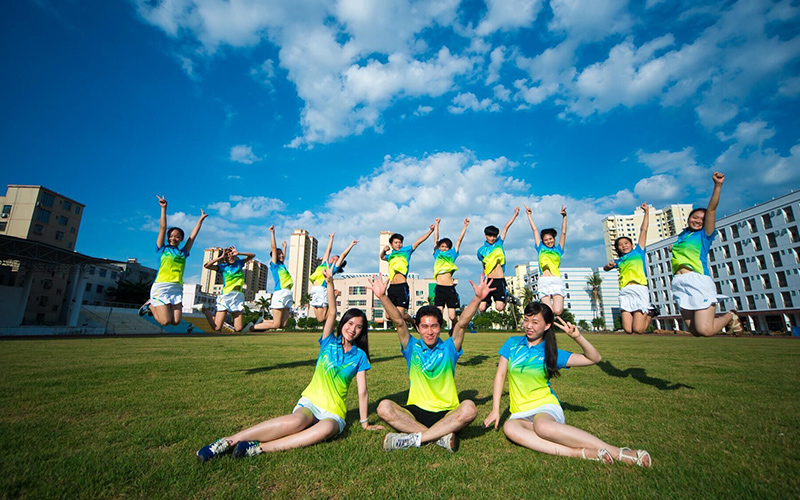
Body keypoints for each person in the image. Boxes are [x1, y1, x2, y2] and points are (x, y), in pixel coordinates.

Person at [196, 268, 384, 462]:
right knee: (297, 421)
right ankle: (229, 441)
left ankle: (258, 448)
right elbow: (331, 313)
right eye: (350, 323)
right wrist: (329, 283)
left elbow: (363, 392)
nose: (352, 329)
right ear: (343, 323)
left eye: (358, 326)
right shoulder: (329, 342)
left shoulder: (360, 356)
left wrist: (364, 423)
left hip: (334, 412)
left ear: (362, 332)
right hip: (311, 402)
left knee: (326, 428)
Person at [483, 302, 652, 467]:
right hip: (520, 413)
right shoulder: (512, 344)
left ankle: (616, 452)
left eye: (535, 322)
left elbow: (594, 358)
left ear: (547, 325)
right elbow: (501, 374)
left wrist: (577, 337)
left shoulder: (552, 353)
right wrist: (496, 409)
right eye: (526, 320)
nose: (528, 326)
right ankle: (578, 453)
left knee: (542, 427)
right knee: (510, 428)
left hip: (544, 408)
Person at [368, 273, 494, 453]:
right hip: (415, 411)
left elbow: (462, 324)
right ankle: (439, 437)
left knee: (469, 408)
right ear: (418, 328)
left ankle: (414, 439)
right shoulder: (412, 347)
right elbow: (398, 321)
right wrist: (382, 296)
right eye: (425, 326)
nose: (429, 331)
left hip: (447, 412)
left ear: (440, 327)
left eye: (434, 326)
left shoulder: (450, 348)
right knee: (384, 407)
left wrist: (477, 298)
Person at [671, 172, 742, 336]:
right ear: (689, 218)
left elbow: (712, 209)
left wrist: (717, 186)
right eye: (695, 217)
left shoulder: (705, 234)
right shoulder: (683, 236)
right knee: (695, 331)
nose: (698, 221)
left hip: (697, 279)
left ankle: (730, 316)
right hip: (679, 282)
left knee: (705, 330)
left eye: (702, 220)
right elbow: (682, 250)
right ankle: (728, 317)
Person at [139, 195, 207, 326]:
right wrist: (164, 208)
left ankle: (152, 307)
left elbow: (192, 237)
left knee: (176, 321)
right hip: (161, 286)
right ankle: (150, 306)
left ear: (181, 239)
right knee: (165, 322)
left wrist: (200, 220)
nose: (173, 238)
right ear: (168, 238)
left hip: (176, 288)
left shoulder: (183, 252)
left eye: (177, 237)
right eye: (171, 236)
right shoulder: (162, 249)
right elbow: (162, 228)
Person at [603, 203, 658, 334]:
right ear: (618, 249)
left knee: (638, 330)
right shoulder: (619, 261)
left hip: (639, 289)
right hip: (625, 291)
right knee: (628, 330)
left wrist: (646, 212)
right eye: (620, 245)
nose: (624, 246)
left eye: (626, 243)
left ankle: (650, 312)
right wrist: (608, 266)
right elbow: (605, 269)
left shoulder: (639, 252)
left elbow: (643, 230)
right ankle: (648, 312)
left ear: (632, 244)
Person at [379, 224, 435, 323]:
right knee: (388, 316)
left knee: (400, 314)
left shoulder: (406, 251)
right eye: (396, 242)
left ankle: (413, 322)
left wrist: (430, 231)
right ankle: (412, 321)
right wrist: (384, 250)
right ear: (391, 244)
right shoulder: (391, 256)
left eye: (400, 242)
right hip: (392, 287)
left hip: (402, 286)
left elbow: (418, 241)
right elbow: (382, 257)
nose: (398, 244)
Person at [524, 204, 567, 316]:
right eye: (546, 240)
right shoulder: (540, 248)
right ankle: (547, 332)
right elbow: (535, 230)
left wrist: (564, 217)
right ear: (543, 241)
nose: (549, 241)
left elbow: (563, 233)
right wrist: (529, 215)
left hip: (556, 280)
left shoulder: (558, 249)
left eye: (550, 239)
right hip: (544, 281)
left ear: (554, 239)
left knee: (557, 311)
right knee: (548, 312)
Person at [201, 246, 256, 333]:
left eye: (231, 252)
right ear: (225, 258)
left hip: (238, 296)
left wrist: (239, 253)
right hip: (226, 296)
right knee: (216, 327)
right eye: (227, 254)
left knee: (238, 328)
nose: (230, 255)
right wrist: (220, 257)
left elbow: (252, 255)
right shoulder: (223, 267)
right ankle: (204, 310)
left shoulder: (239, 263)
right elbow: (207, 266)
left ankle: (253, 326)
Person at [251, 225, 294, 332]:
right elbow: (274, 249)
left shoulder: (282, 265)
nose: (281, 255)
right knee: (276, 324)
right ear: (274, 256)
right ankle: (252, 327)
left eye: (281, 254)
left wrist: (285, 247)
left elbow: (283, 256)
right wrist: (272, 233)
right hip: (280, 293)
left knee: (282, 325)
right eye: (278, 254)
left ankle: (262, 321)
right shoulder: (274, 265)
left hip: (288, 293)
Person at [477, 208, 519, 312]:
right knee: (481, 308)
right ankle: (489, 301)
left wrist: (515, 214)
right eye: (490, 236)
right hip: (488, 280)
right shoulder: (481, 251)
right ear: (485, 235)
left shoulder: (499, 243)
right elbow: (484, 266)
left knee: (499, 308)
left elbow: (506, 227)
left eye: (494, 236)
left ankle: (507, 297)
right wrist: (483, 281)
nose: (492, 238)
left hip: (499, 279)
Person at [308, 234, 357, 322]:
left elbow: (343, 255)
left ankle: (333, 300)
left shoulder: (333, 268)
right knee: (319, 317)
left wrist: (351, 245)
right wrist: (331, 239)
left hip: (321, 289)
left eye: (335, 259)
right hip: (314, 290)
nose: (332, 258)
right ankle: (332, 302)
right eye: (332, 257)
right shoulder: (323, 263)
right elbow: (328, 250)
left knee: (321, 319)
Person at [432, 217, 470, 330]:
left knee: (452, 316)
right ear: (439, 247)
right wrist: (437, 224)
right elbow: (436, 239)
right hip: (439, 288)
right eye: (442, 246)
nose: (444, 248)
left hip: (449, 288)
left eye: (446, 247)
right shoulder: (437, 254)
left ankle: (455, 326)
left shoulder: (452, 254)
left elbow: (459, 240)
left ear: (449, 248)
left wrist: (465, 226)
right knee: (438, 314)